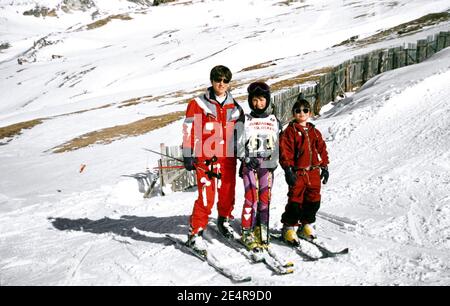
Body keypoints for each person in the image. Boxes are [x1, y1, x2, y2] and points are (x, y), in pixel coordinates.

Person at [182, 65, 244, 254]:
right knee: (206, 197)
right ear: (211, 81)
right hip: (206, 156)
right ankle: (195, 233)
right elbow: (188, 129)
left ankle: (224, 220)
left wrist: (242, 154)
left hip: (228, 156)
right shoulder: (198, 103)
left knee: (227, 192)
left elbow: (240, 134)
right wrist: (187, 152)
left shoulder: (235, 107)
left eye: (225, 80)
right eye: (218, 80)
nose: (221, 84)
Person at [237, 81, 282, 251]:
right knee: (251, 198)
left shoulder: (274, 120)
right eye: (255, 100)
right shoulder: (245, 120)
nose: (259, 104)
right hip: (250, 164)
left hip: (267, 165)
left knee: (265, 199)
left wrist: (275, 160)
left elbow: (278, 143)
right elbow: (236, 144)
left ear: (267, 100)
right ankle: (247, 230)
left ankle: (261, 227)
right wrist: (246, 158)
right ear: (250, 101)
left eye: (262, 100)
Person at [279, 96, 329, 246]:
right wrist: (288, 170)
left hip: (313, 172)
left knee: (313, 200)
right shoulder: (290, 131)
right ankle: (288, 227)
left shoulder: (314, 131)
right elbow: (284, 151)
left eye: (305, 110)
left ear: (310, 113)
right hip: (298, 172)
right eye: (298, 111)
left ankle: (306, 225)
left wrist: (324, 166)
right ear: (294, 113)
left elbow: (322, 149)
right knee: (295, 201)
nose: (302, 113)